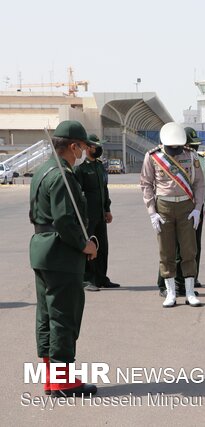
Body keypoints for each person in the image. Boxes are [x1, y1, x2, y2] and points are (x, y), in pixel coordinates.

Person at [29, 120, 98, 397]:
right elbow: (65, 220)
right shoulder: (62, 175)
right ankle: (63, 381)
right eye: (82, 146)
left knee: (47, 316)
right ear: (73, 145)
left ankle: (51, 376)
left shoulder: (43, 171)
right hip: (60, 253)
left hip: (43, 249)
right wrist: (86, 246)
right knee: (63, 317)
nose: (83, 151)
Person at [140, 122, 205, 308]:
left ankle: (190, 292)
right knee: (166, 251)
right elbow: (146, 184)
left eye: (178, 146)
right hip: (164, 207)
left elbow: (199, 184)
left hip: (187, 206)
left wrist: (197, 209)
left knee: (189, 250)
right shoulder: (153, 157)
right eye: (172, 147)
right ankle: (170, 293)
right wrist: (152, 212)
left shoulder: (191, 155)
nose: (175, 150)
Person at [155, 127, 205, 297]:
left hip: (194, 208)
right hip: (173, 206)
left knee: (192, 246)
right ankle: (164, 284)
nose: (195, 148)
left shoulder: (198, 158)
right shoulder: (167, 157)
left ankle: (188, 279)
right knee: (169, 248)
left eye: (196, 145)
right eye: (191, 145)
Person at [74, 134, 119, 292]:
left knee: (102, 247)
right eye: (96, 146)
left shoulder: (100, 166)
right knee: (88, 246)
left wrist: (107, 209)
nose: (99, 149)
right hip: (87, 215)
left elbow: (104, 190)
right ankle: (88, 279)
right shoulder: (80, 169)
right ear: (88, 148)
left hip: (100, 214)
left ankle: (101, 278)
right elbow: (77, 194)